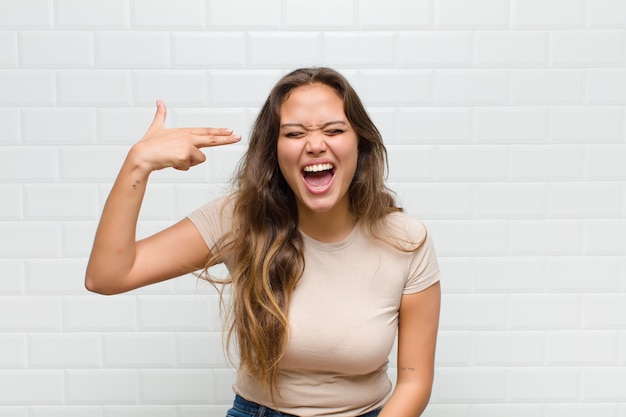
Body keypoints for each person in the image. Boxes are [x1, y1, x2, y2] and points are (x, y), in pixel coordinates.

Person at [86, 67, 441, 417]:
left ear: (359, 143)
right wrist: (137, 164)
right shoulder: (238, 220)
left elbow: (414, 381)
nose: (315, 145)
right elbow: (108, 276)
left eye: (334, 130)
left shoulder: (405, 240)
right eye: (294, 133)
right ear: (274, 151)